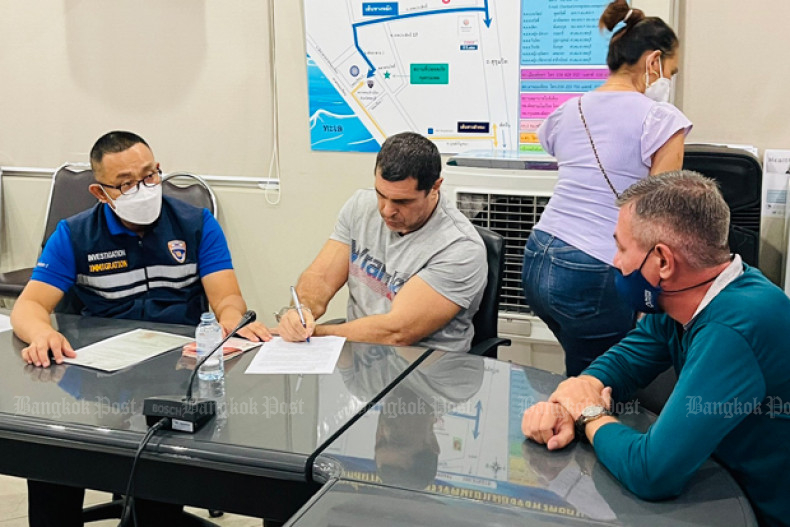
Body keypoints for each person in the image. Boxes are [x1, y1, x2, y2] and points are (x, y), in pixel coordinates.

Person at [11, 130, 272, 526]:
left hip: (176, 378)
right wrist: (42, 333)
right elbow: (29, 305)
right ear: (102, 193)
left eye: (151, 175)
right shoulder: (75, 234)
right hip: (95, 382)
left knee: (158, 498)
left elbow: (227, 300)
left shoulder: (196, 225)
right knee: (52, 459)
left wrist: (231, 321)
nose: (145, 188)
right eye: (127, 183)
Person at [521, 171, 790, 527]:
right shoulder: (686, 298)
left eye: (621, 247)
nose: (615, 262)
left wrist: (588, 415)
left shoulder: (734, 327)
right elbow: (626, 361)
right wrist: (568, 399)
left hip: (757, 512)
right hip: (715, 483)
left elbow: (653, 473)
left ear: (662, 261)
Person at [521, 0, 692, 376]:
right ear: (653, 62)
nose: (669, 80)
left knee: (581, 369)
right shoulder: (663, 120)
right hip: (592, 270)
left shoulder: (565, 111)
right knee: (600, 384)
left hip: (536, 258)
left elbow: (563, 157)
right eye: (671, 70)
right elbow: (660, 211)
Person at [277, 131, 487, 352]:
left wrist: (316, 334)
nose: (387, 210)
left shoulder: (460, 248)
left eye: (402, 201)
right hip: (361, 360)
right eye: (380, 194)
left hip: (425, 371)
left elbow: (397, 331)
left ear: (435, 187)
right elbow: (321, 278)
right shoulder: (360, 206)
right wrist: (300, 312)